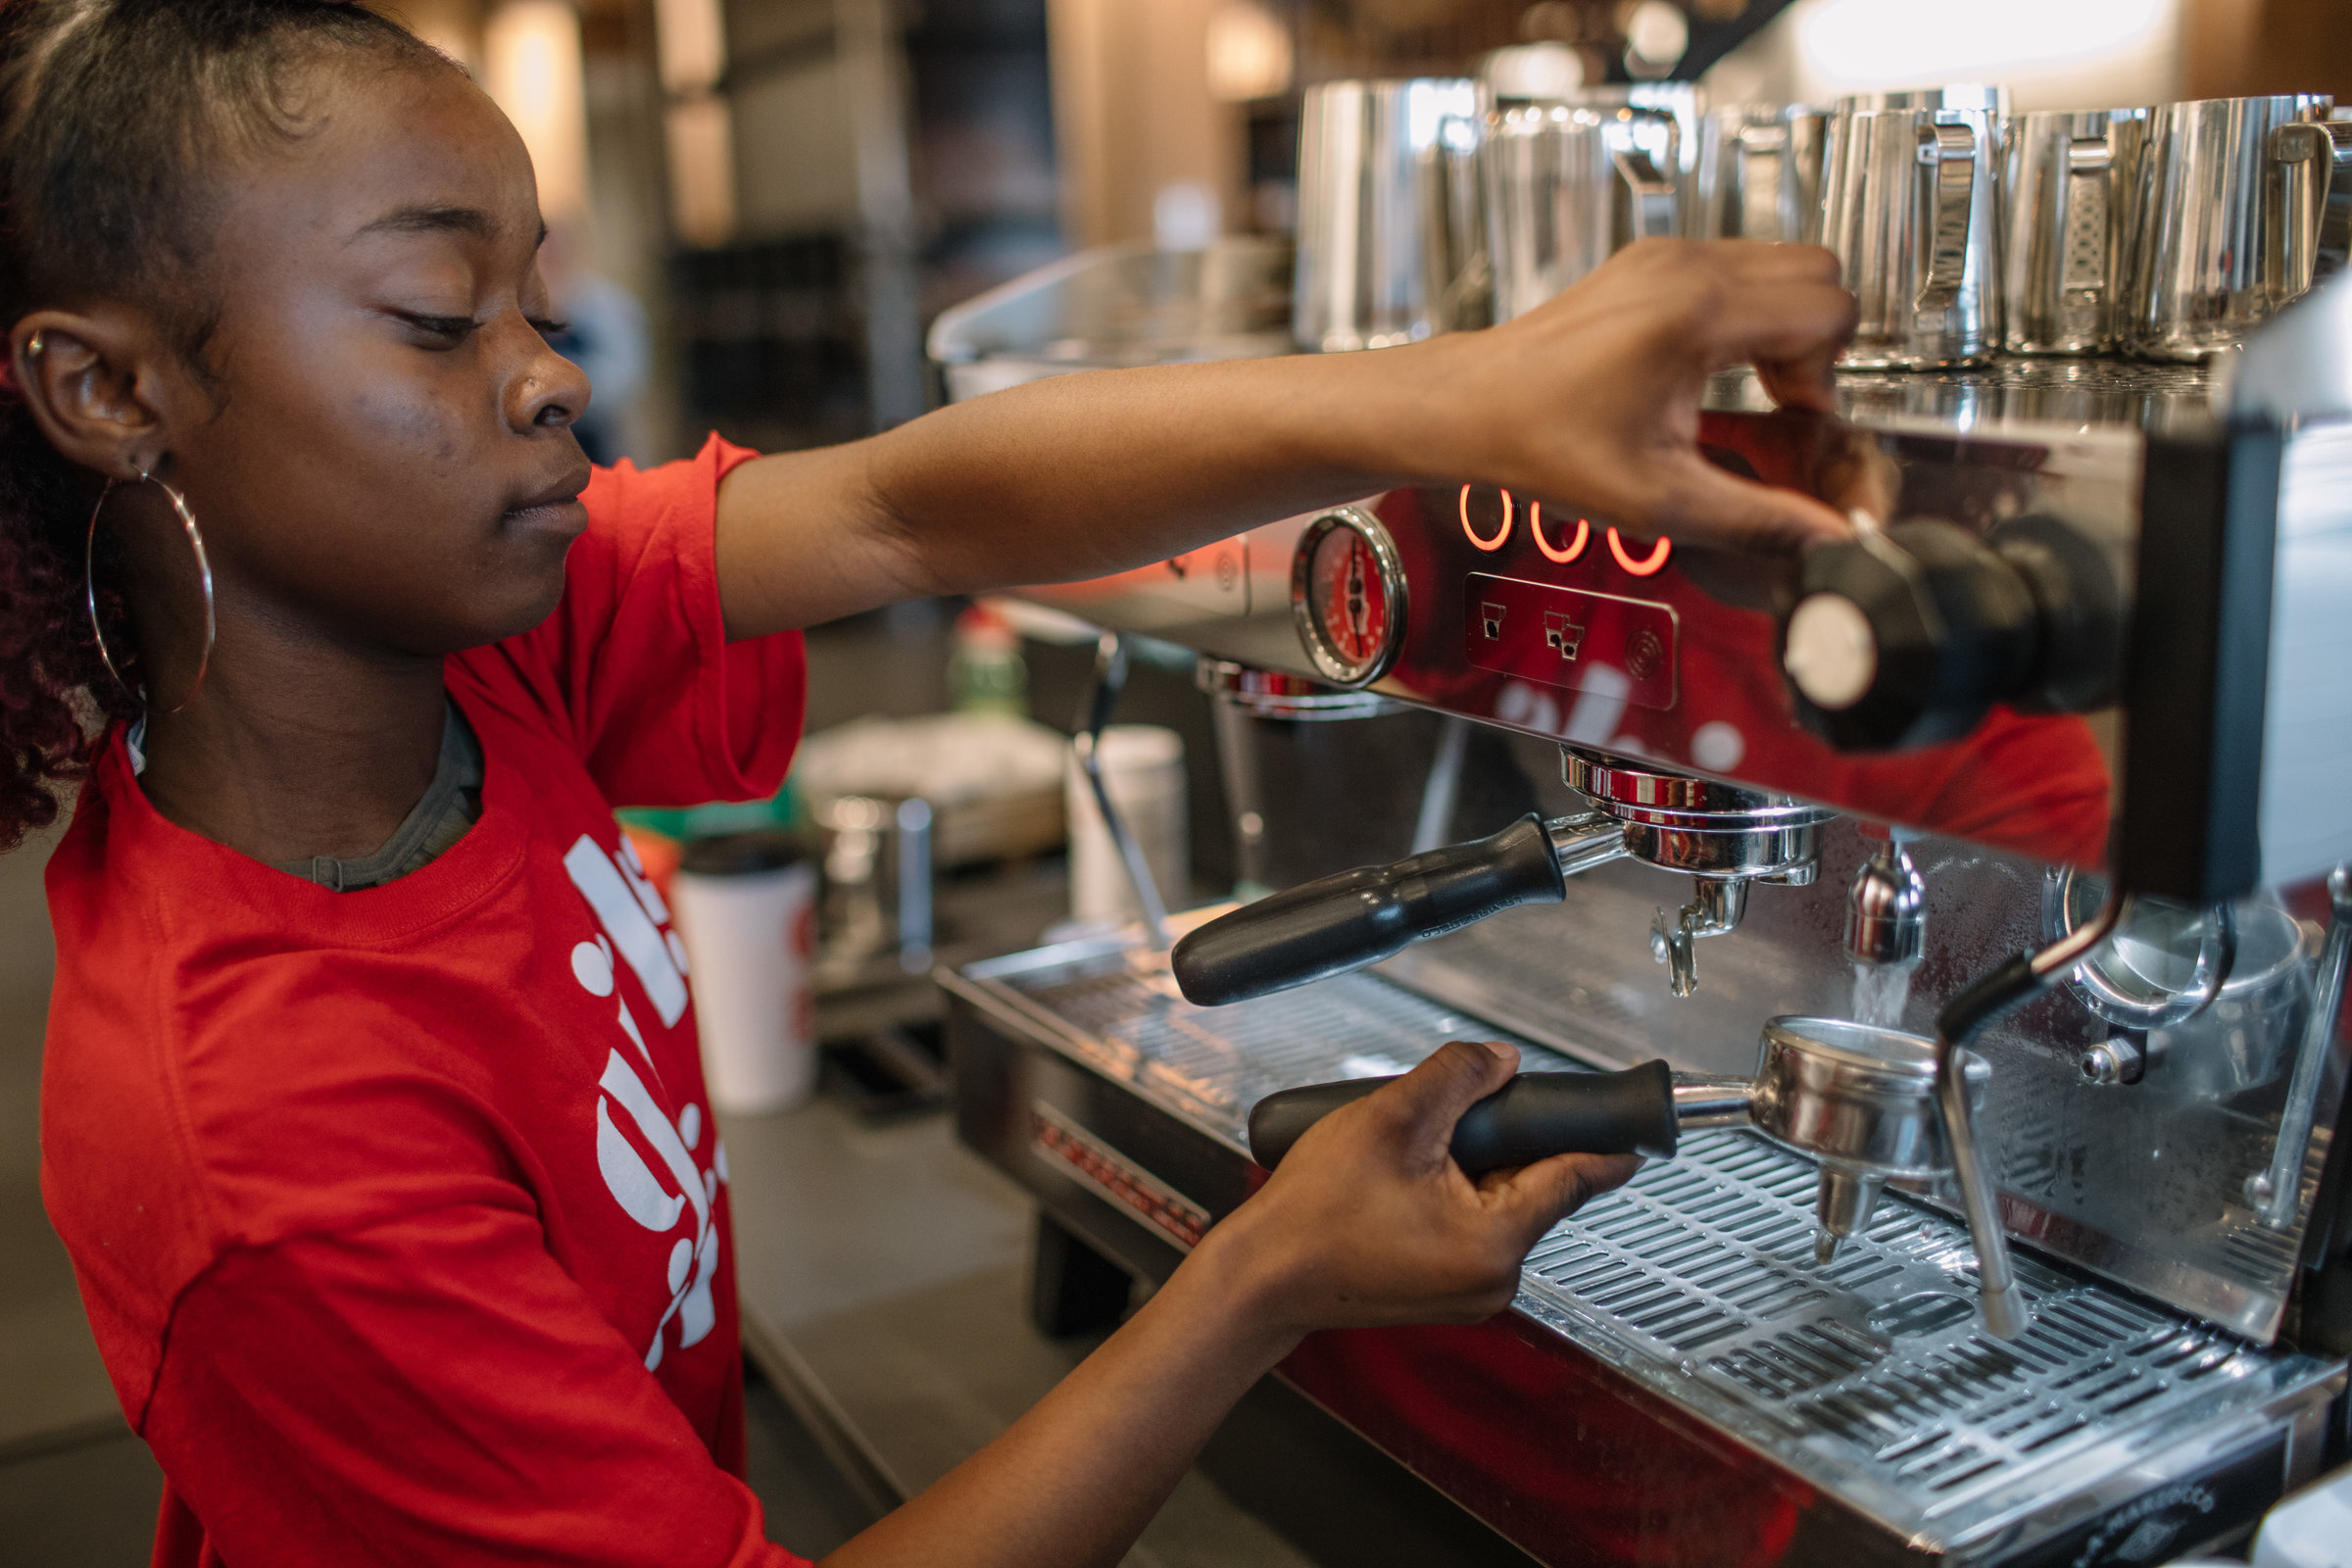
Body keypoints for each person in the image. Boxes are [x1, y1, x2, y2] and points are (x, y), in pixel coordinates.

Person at [6, 4, 1858, 1565]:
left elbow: (907, 508)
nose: (548, 375)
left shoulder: (481, 658)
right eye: (436, 314)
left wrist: (1458, 399)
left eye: (534, 300)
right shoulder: (259, 1146)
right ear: (106, 390)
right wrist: (1261, 1280)